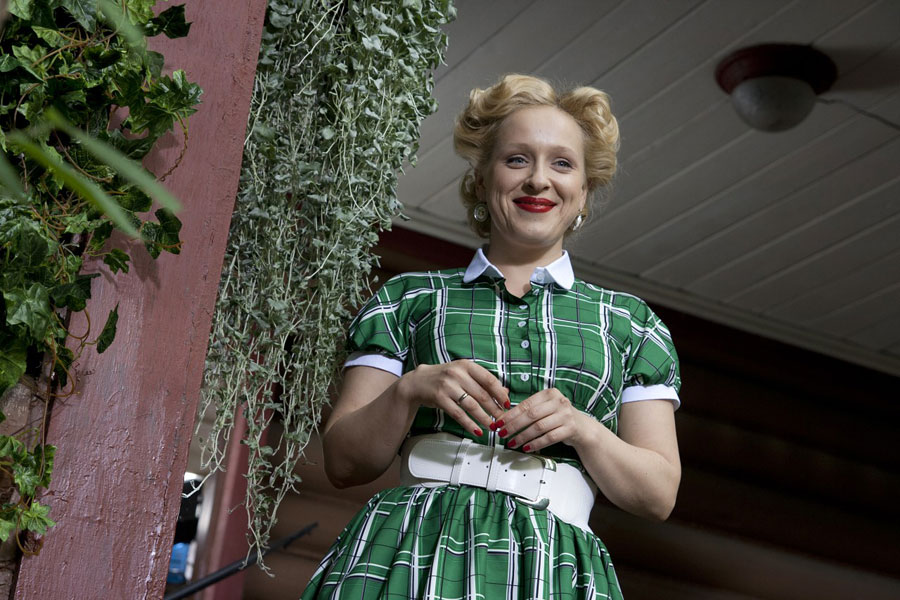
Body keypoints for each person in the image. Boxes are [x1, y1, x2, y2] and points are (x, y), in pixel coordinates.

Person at [300, 74, 681, 599]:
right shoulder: (409, 298)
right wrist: (409, 389)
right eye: (517, 159)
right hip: (413, 549)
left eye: (562, 164)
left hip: (553, 568)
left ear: (584, 191)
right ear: (481, 181)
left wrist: (583, 429)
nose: (538, 180)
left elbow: (658, 495)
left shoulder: (632, 323)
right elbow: (343, 463)